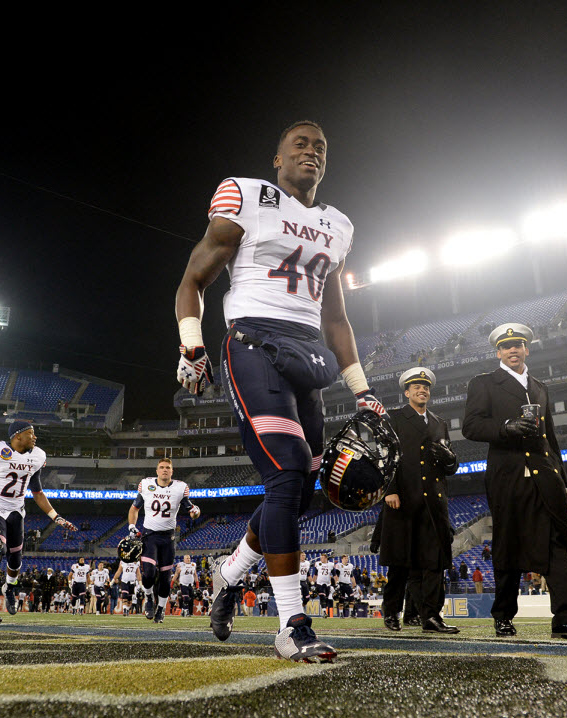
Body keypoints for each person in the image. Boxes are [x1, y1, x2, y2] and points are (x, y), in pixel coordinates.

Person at [177, 120, 380, 663]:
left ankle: (228, 575)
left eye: (320, 146)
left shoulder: (336, 225)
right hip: (252, 341)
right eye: (301, 144)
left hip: (308, 354)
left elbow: (337, 319)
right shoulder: (247, 195)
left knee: (296, 489)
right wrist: (191, 348)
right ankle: (291, 624)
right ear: (277, 158)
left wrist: (362, 391)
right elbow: (193, 279)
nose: (312, 151)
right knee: (287, 473)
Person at [462, 323, 567, 639]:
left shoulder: (540, 386)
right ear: (498, 352)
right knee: (507, 547)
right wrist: (506, 427)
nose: (513, 349)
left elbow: (550, 437)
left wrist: (561, 478)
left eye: (518, 345)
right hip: (508, 479)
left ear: (526, 349)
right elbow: (470, 426)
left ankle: (566, 619)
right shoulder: (484, 383)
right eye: (507, 346)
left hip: (545, 479)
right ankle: (504, 616)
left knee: (557, 546)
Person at [379, 367, 460, 634]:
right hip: (402, 500)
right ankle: (391, 610)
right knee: (400, 563)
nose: (421, 390)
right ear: (407, 392)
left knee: (433, 562)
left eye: (425, 387)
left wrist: (452, 460)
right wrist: (390, 489)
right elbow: (385, 458)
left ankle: (431, 617)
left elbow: (449, 465)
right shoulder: (394, 419)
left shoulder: (439, 422)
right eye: (416, 387)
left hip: (433, 504)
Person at [0, 420, 77, 625]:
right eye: (31, 433)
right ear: (18, 436)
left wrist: (55, 516)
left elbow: (38, 493)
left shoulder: (37, 456)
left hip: (16, 512)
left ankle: (9, 588)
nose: (35, 437)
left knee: (15, 560)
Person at [126, 457, 200, 623]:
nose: (165, 470)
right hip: (149, 535)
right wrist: (132, 526)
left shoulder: (180, 488)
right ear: (157, 470)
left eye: (168, 467)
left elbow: (192, 510)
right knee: (149, 573)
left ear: (172, 471)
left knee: (166, 578)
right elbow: (134, 508)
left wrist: (195, 512)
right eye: (162, 467)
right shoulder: (146, 484)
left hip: (168, 538)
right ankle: (149, 598)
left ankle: (161, 609)